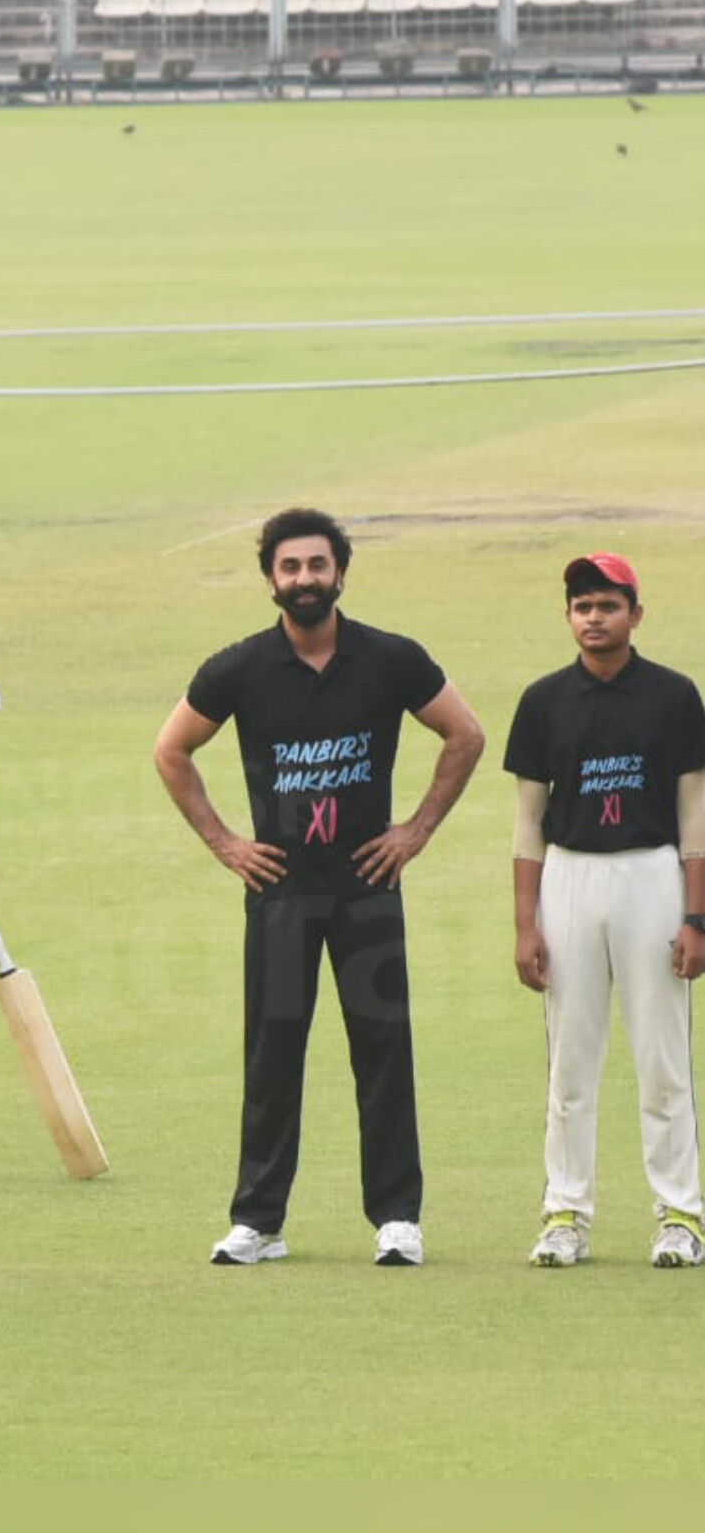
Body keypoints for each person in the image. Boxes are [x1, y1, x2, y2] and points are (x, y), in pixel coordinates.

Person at [153, 506, 483, 1267]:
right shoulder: (236, 668)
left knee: (382, 1048)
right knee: (272, 1052)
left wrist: (417, 830)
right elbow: (172, 751)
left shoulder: (390, 658)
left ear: (341, 571)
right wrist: (225, 843)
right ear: (271, 578)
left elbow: (465, 734)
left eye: (317, 566)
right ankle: (258, 1222)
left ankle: (397, 1218)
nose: (305, 579)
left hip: (367, 887)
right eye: (290, 567)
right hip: (281, 895)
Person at [504, 552, 705, 1270]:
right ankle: (566, 1212)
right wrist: (527, 923)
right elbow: (529, 825)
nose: (595, 617)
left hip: (651, 875)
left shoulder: (677, 696)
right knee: (571, 1061)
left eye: (609, 605)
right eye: (583, 606)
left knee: (663, 1058)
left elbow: (694, 813)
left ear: (636, 614)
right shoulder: (541, 701)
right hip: (570, 879)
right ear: (568, 618)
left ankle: (680, 1213)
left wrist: (696, 916)